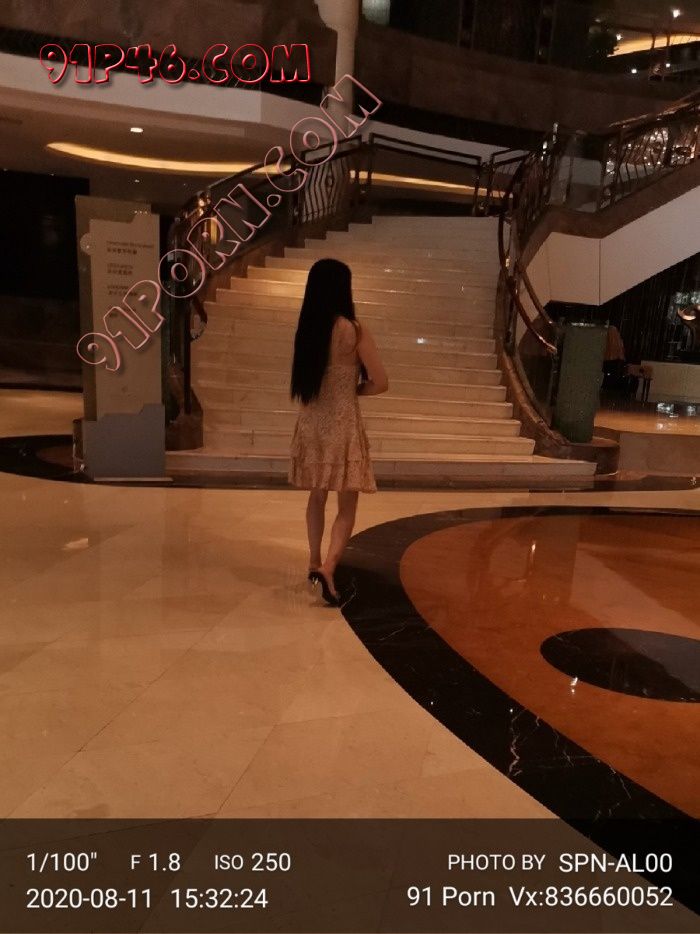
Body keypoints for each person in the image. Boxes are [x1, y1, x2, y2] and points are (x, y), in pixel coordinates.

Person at [289, 258, 389, 607]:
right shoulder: (353, 330)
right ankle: (330, 567)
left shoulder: (307, 331)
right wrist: (353, 390)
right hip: (343, 424)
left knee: (317, 495)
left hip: (312, 422)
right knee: (347, 501)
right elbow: (381, 381)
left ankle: (313, 561)